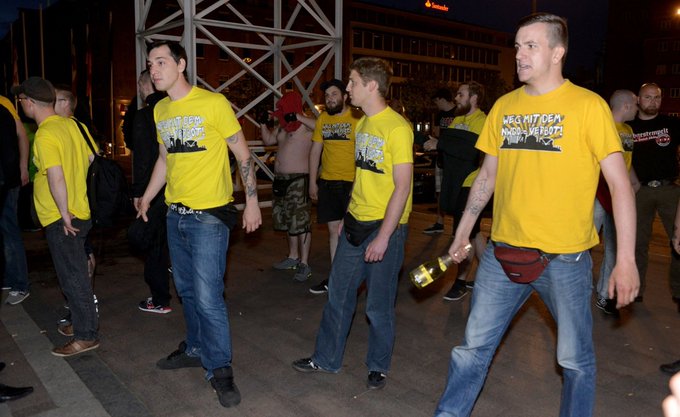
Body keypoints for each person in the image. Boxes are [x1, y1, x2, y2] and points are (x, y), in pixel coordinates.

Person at [433, 13, 639, 417]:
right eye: (516, 45)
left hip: (566, 259)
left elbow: (618, 185)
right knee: (471, 350)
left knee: (576, 362)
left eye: (531, 45)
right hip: (501, 255)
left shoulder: (588, 106)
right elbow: (486, 177)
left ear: (558, 52)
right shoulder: (504, 108)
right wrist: (462, 234)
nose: (519, 54)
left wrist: (626, 260)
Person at [138, 40, 261, 408]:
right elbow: (165, 158)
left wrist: (252, 201)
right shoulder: (160, 109)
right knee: (187, 292)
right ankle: (194, 347)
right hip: (176, 215)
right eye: (150, 64)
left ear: (182, 63)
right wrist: (147, 195)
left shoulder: (213, 104)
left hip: (209, 217)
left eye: (161, 62)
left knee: (209, 298)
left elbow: (243, 154)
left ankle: (220, 370)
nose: (154, 69)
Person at [292, 57, 413, 390]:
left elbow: (402, 186)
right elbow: (361, 177)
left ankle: (378, 366)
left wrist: (384, 237)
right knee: (339, 296)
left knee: (377, 307)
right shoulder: (362, 125)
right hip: (355, 224)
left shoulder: (397, 128)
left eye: (353, 82)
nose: (348, 89)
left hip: (385, 228)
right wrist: (348, 217)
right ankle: (327, 359)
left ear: (372, 86)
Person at [13, 77, 100, 357]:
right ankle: (79, 322)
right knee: (76, 273)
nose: (20, 104)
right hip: (80, 210)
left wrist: (63, 213)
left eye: (21, 100)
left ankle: (86, 335)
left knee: (73, 278)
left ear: (29, 102)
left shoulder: (47, 134)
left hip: (63, 218)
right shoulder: (72, 125)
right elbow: (90, 158)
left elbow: (55, 175)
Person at [297, 79, 362, 294]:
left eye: (334, 94)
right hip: (328, 182)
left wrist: (359, 186)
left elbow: (363, 156)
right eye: (327, 96)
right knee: (334, 231)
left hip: (353, 183)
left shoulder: (358, 119)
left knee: (351, 231)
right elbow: (315, 151)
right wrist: (312, 182)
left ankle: (354, 277)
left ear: (345, 96)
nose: (330, 98)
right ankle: (336, 278)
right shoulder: (323, 119)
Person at [425, 82, 487, 301]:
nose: (457, 98)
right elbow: (450, 147)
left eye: (461, 94)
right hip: (454, 181)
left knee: (464, 233)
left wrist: (441, 143)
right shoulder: (457, 120)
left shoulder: (483, 121)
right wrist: (439, 143)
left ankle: (461, 281)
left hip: (472, 183)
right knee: (475, 231)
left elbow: (469, 151)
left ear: (474, 97)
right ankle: (489, 276)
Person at [628, 82, 680, 310]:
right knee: (638, 242)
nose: (653, 102)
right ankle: (636, 291)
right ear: (638, 100)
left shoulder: (671, 124)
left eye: (657, 98)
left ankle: (678, 292)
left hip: (670, 189)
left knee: (678, 241)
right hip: (640, 191)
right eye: (648, 97)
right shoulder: (628, 127)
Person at [594, 89, 639, 316]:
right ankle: (575, 289)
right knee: (583, 245)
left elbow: (626, 163)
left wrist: (634, 183)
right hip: (598, 195)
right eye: (636, 104)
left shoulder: (629, 131)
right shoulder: (602, 125)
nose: (638, 109)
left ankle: (605, 295)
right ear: (627, 106)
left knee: (614, 248)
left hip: (618, 199)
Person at [130, 70, 172, 314]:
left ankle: (159, 298)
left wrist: (140, 193)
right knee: (165, 240)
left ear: (143, 86)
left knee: (149, 241)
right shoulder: (171, 111)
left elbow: (144, 158)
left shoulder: (145, 115)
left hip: (153, 190)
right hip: (177, 189)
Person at [260, 92, 313, 282]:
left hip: (299, 179)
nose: (282, 112)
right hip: (280, 180)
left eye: (284, 108)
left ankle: (304, 263)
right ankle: (292, 257)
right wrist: (263, 123)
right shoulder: (283, 127)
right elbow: (268, 141)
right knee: (288, 221)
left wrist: (298, 116)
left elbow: (323, 128)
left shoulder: (306, 127)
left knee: (300, 222)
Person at [0, 95, 30, 305]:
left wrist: (23, 166)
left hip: (7, 178)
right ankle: (10, 278)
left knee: (9, 229)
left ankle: (19, 284)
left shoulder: (3, 102)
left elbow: (22, 136)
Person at [423, 87, 456, 235]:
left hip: (453, 158)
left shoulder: (458, 113)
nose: (436, 104)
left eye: (436, 101)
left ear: (442, 99)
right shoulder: (440, 115)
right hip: (441, 157)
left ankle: (457, 224)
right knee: (440, 192)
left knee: (454, 191)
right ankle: (439, 222)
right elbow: (436, 132)